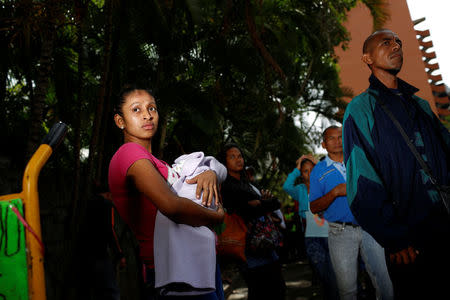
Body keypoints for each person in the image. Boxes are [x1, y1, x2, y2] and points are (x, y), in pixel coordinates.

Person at [343, 29, 450, 299]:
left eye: (398, 42)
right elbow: (362, 181)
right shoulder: (360, 109)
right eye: (386, 42)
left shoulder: (422, 105)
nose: (395, 46)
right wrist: (394, 237)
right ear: (367, 57)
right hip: (409, 241)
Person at [108, 86, 225, 300]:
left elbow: (199, 191)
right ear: (120, 121)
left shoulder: (160, 164)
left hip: (197, 259)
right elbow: (172, 206)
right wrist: (216, 216)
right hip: (175, 269)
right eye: (136, 110)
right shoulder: (128, 153)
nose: (147, 114)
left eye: (152, 108)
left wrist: (210, 173)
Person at [309, 126, 393, 300]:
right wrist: (334, 193)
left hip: (370, 227)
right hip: (340, 232)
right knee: (347, 289)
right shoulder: (318, 170)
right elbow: (314, 207)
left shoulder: (359, 160)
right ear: (324, 144)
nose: (337, 141)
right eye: (331, 138)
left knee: (384, 282)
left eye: (340, 136)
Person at [218, 143, 286, 300]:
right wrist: (260, 203)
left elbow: (275, 203)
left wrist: (260, 203)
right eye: (232, 157)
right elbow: (247, 210)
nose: (238, 159)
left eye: (240, 156)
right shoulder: (226, 187)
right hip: (248, 246)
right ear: (224, 161)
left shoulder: (249, 184)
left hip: (267, 243)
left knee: (278, 288)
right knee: (259, 290)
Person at [283, 154, 338, 300]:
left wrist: (316, 164)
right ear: (301, 174)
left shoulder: (324, 184)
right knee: (322, 273)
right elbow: (286, 186)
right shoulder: (300, 190)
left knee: (335, 274)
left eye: (312, 170)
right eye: (305, 171)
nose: (309, 174)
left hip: (331, 235)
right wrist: (298, 165)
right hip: (312, 239)